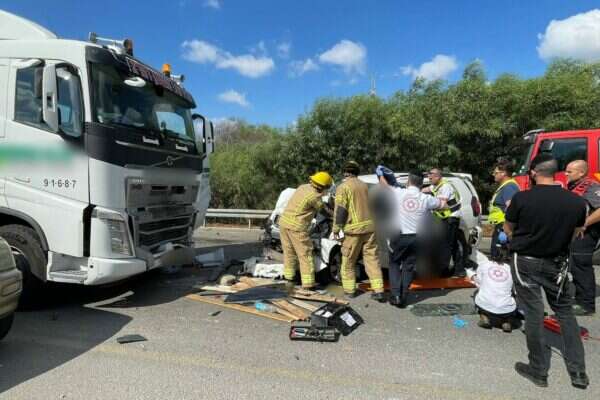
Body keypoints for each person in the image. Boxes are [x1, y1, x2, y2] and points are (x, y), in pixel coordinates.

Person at [504, 154, 589, 390]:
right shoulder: (576, 202)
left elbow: (508, 228)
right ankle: (578, 372)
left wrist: (520, 238)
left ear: (533, 172)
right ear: (556, 173)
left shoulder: (522, 198)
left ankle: (538, 370)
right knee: (565, 313)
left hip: (525, 261)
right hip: (557, 263)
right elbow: (577, 231)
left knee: (534, 313)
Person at [385, 171, 445, 308]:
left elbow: (384, 184)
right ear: (421, 183)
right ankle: (404, 296)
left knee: (394, 263)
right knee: (409, 266)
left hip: (399, 236)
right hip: (418, 238)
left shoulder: (398, 193)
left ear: (408, 182)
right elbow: (444, 205)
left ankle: (396, 295)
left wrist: (383, 174)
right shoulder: (426, 198)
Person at [333, 161, 385, 301]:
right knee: (372, 260)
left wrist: (336, 229)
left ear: (345, 172)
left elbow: (341, 210)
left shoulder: (343, 187)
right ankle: (379, 290)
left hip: (353, 231)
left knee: (348, 261)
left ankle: (350, 291)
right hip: (370, 228)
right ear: (357, 172)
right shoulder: (365, 186)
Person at [279, 171, 333, 289]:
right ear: (322, 187)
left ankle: (290, 279)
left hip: (284, 223)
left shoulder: (302, 187)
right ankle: (308, 284)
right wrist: (336, 216)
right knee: (305, 255)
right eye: (327, 188)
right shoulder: (314, 196)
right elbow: (324, 211)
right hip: (297, 227)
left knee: (289, 252)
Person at [565, 160, 598, 316]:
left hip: (586, 234)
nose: (566, 174)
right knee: (575, 266)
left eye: (569, 171)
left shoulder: (591, 187)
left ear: (581, 172)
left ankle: (586, 305)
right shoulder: (573, 186)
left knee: (581, 267)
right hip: (574, 234)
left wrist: (584, 224)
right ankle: (580, 299)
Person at [467, 234, 518, 333]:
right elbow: (515, 290)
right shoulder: (511, 269)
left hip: (485, 304)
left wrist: (471, 275)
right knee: (512, 296)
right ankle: (506, 321)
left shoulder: (484, 265)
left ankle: (484, 317)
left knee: (477, 292)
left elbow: (479, 283)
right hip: (507, 309)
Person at [423, 168, 464, 276]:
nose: (429, 177)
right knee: (453, 244)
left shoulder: (445, 186)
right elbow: (426, 189)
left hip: (451, 218)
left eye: (431, 175)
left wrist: (427, 205)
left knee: (446, 245)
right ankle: (459, 270)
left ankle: (443, 271)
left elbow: (441, 203)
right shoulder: (436, 186)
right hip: (446, 218)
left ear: (438, 176)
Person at [488, 159, 520, 258]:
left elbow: (511, 209)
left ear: (504, 173)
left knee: (498, 257)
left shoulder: (509, 187)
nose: (493, 174)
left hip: (503, 227)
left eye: (496, 172)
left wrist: (504, 230)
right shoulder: (507, 186)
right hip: (502, 226)